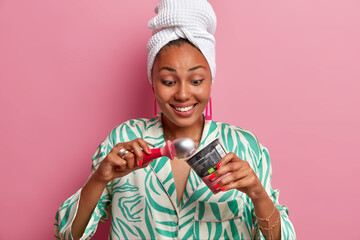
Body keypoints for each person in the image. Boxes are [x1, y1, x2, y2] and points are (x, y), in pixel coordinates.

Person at [54, 0, 296, 239]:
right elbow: (67, 235)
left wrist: (257, 193)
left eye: (196, 81)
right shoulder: (125, 141)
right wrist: (100, 177)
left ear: (211, 80)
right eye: (169, 82)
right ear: (153, 83)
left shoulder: (244, 146)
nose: (182, 94)